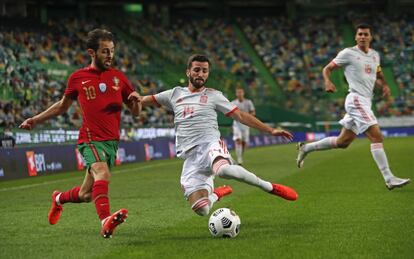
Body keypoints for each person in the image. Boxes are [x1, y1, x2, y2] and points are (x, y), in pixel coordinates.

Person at [140, 54, 298, 218]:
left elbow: (241, 116)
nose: (200, 74)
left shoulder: (213, 95)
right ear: (188, 72)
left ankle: (269, 187)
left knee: (222, 170)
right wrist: (132, 98)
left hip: (210, 145)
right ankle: (217, 193)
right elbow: (143, 100)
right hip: (191, 158)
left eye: (205, 71)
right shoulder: (174, 94)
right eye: (197, 70)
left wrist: (270, 130)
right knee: (202, 209)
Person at [19, 29, 141, 238]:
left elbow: (135, 113)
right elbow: (61, 106)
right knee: (103, 173)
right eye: (105, 51)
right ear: (91, 53)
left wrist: (137, 101)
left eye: (112, 51)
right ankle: (105, 222)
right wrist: (35, 119)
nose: (110, 55)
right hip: (90, 139)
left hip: (111, 142)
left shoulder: (118, 78)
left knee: (86, 195)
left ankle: (58, 199)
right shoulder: (78, 77)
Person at [296, 23, 410, 190]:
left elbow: (377, 72)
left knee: (343, 142)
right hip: (356, 99)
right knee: (377, 136)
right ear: (356, 37)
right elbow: (327, 68)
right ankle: (389, 178)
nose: (363, 37)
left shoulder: (374, 55)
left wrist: (384, 85)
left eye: (366, 34)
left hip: (366, 101)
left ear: (370, 37)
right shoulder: (348, 53)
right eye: (360, 34)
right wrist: (328, 81)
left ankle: (307, 147)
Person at [231, 88, 255, 165]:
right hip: (237, 124)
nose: (239, 94)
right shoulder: (233, 103)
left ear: (243, 93)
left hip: (246, 124)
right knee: (238, 140)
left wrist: (249, 117)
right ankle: (239, 158)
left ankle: (241, 155)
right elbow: (229, 112)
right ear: (236, 94)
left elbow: (253, 112)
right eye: (238, 92)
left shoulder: (248, 102)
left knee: (244, 142)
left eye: (241, 92)